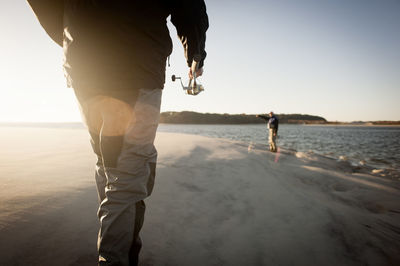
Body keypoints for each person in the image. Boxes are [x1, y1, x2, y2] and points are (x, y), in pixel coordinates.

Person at [27, 1, 208, 265]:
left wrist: (75, 34)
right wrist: (196, 54)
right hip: (135, 65)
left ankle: (122, 248)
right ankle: (114, 259)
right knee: (128, 172)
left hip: (84, 67)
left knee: (108, 163)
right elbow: (189, 5)